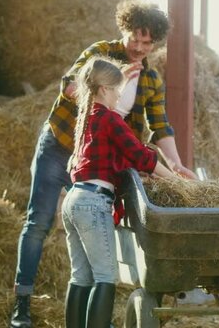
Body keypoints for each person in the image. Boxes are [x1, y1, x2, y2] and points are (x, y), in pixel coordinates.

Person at [9, 0, 195, 328]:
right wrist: (110, 84)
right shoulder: (101, 56)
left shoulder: (150, 80)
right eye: (134, 38)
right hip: (63, 144)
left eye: (147, 42)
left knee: (82, 270)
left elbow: (160, 125)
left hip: (99, 159)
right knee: (39, 223)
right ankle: (21, 306)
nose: (139, 47)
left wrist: (177, 164)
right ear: (124, 30)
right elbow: (68, 86)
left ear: (155, 43)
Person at [62, 56, 176, 328]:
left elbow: (113, 159)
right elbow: (140, 155)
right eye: (116, 91)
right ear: (103, 90)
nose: (118, 97)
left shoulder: (87, 119)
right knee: (105, 277)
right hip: (93, 202)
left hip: (73, 200)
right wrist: (173, 179)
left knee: (80, 277)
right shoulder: (109, 119)